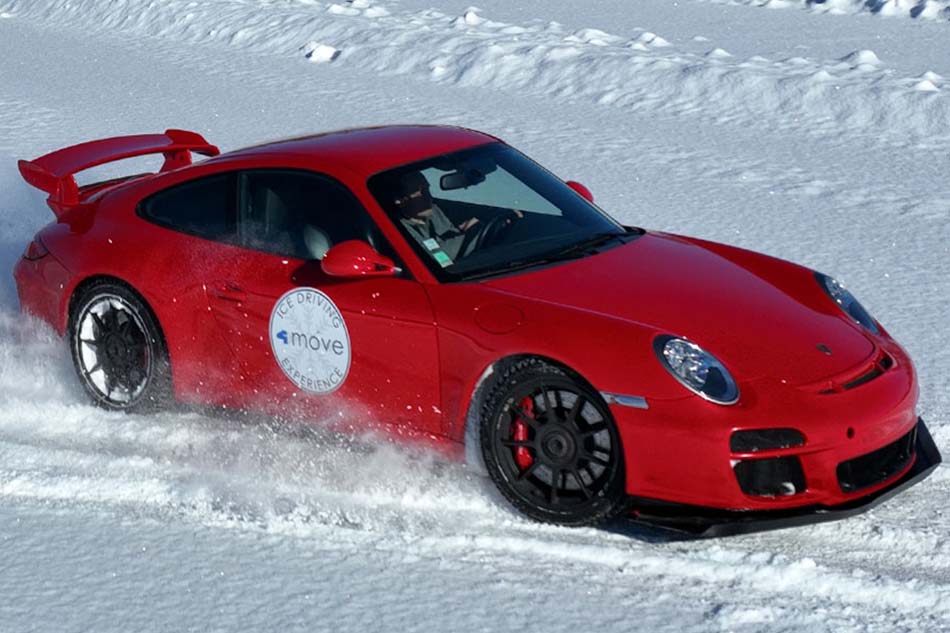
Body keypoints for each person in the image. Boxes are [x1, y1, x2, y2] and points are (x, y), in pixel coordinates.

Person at [393, 171, 479, 266]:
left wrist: (460, 231)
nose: (428, 196)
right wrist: (471, 232)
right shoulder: (400, 230)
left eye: (427, 190)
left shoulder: (434, 211)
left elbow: (449, 233)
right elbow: (442, 259)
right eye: (418, 192)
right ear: (399, 200)